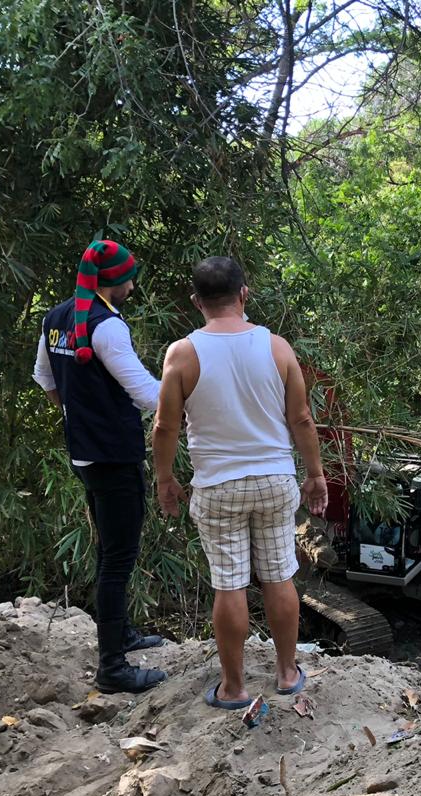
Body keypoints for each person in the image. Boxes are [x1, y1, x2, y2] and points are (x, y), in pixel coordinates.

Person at [152, 256, 328, 709]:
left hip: (218, 487)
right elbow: (302, 419)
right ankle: (288, 674)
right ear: (244, 294)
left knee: (229, 584)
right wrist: (315, 474)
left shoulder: (183, 354)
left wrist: (165, 479)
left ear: (196, 303)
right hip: (274, 480)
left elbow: (165, 428)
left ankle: (233, 688)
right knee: (278, 574)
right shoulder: (277, 348)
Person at [32, 240, 168, 694]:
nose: (133, 283)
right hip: (113, 455)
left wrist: (77, 414)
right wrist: (193, 399)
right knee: (118, 558)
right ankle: (112, 667)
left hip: (84, 452)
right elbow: (148, 394)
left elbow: (45, 379)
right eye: (130, 277)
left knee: (108, 550)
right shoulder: (106, 326)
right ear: (117, 281)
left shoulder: (56, 319)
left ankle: (122, 634)